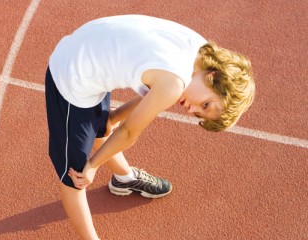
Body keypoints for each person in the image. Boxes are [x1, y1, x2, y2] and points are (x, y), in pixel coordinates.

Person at [45, 14, 255, 239]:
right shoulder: (174, 83)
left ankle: (124, 179)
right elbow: (128, 132)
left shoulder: (200, 53)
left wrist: (114, 116)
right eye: (205, 104)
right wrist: (93, 165)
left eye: (200, 114)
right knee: (76, 177)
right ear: (214, 76)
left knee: (101, 129)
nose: (192, 110)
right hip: (72, 78)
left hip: (92, 54)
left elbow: (154, 94)